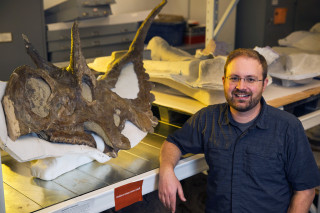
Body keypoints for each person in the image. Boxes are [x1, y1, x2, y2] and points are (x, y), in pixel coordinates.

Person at [158, 48, 320, 213]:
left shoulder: (288, 128)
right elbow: (174, 143)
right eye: (234, 78)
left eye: (250, 79)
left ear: (264, 84)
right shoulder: (207, 119)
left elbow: (306, 190)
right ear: (224, 81)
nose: (241, 87)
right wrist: (166, 169)